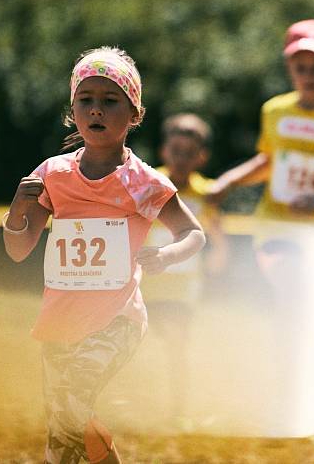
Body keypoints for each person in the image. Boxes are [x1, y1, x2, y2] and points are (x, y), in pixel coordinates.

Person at [2, 47, 206, 464]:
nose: (96, 110)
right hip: (59, 321)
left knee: (73, 402)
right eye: (86, 100)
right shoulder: (52, 175)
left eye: (110, 101)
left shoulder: (144, 181)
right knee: (62, 438)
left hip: (117, 319)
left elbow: (193, 233)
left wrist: (166, 256)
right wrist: (17, 214)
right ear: (72, 109)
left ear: (134, 114)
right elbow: (19, 251)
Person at [207, 19, 314, 279]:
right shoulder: (274, 110)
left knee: (310, 303)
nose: (308, 76)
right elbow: (268, 163)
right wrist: (227, 182)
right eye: (301, 68)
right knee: (290, 284)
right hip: (275, 224)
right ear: (289, 66)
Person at [139, 112, 227, 428]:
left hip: (184, 289)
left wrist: (218, 259)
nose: (181, 159)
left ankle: (177, 412)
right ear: (164, 151)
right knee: (136, 346)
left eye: (190, 153)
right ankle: (135, 404)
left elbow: (217, 238)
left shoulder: (207, 194)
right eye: (176, 151)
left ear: (201, 157)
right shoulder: (147, 183)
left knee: (177, 346)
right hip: (146, 285)